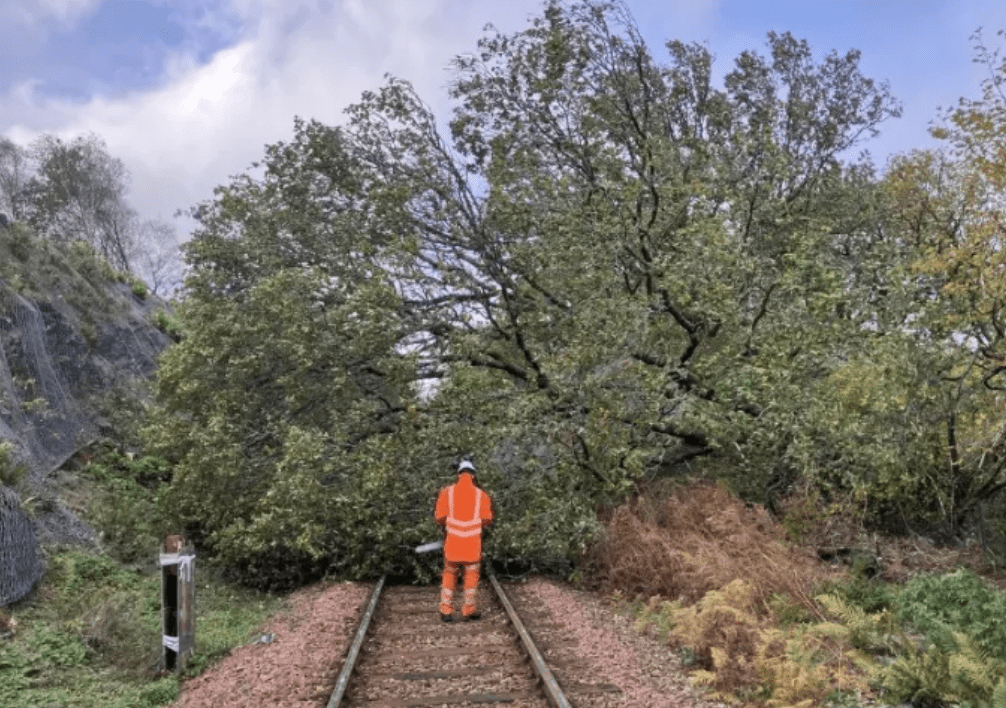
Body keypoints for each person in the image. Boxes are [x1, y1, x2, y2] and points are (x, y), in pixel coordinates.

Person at [434, 459, 494, 621]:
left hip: (453, 543)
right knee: (471, 576)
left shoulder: (447, 492)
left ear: (458, 474)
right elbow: (488, 518)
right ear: (473, 475)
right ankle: (468, 609)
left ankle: (446, 609)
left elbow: (439, 517)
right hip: (472, 544)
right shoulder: (482, 495)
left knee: (449, 574)